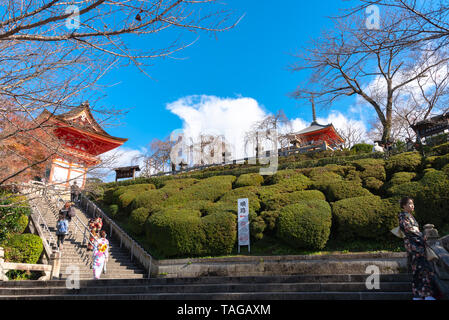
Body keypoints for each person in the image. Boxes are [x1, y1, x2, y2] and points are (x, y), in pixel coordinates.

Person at [398, 197, 437, 300]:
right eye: (410, 204)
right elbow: (408, 229)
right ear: (404, 206)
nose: (412, 205)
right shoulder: (403, 216)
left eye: (413, 204)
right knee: (422, 267)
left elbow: (413, 229)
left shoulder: (410, 216)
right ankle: (423, 294)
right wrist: (421, 234)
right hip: (413, 244)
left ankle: (422, 294)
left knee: (420, 269)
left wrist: (419, 234)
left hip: (417, 243)